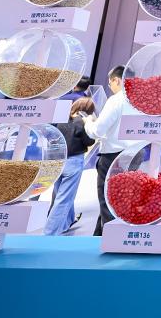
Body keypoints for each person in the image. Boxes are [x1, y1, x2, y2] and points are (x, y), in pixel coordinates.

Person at [82, 66, 135, 235]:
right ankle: (99, 235)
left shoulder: (116, 100)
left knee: (108, 198)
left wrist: (88, 123)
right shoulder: (139, 100)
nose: (110, 87)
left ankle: (110, 238)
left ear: (116, 80)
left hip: (114, 155)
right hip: (135, 153)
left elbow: (98, 131)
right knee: (123, 197)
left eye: (110, 83)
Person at [44, 97, 95, 235]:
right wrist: (89, 123)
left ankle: (67, 222)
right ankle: (49, 233)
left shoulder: (61, 118)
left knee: (59, 194)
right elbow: (89, 141)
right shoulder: (81, 121)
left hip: (57, 160)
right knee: (64, 199)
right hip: (73, 162)